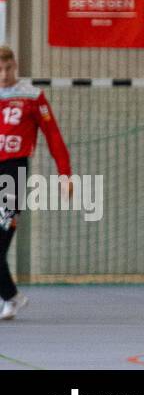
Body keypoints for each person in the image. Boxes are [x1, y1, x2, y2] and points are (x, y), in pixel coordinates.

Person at [0, 45, 71, 321]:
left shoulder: (32, 96)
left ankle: (11, 297)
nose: (4, 75)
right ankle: (12, 297)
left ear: (15, 65)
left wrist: (65, 174)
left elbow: (53, 136)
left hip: (12, 174)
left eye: (8, 68)